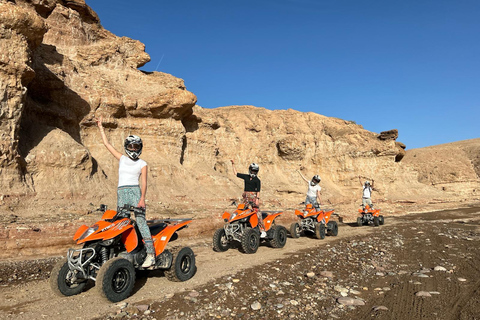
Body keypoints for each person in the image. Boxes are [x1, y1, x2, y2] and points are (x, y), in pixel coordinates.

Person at [95, 116, 155, 268]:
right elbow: (107, 144)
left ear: (139, 147)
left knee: (141, 221)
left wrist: (142, 199)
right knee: (121, 223)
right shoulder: (121, 158)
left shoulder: (143, 163)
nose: (133, 149)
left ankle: (151, 254)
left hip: (135, 193)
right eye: (131, 146)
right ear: (127, 147)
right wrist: (101, 127)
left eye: (136, 147)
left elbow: (144, 183)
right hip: (121, 193)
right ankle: (124, 251)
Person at [230, 160, 266, 237]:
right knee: (242, 211)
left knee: (257, 212)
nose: (253, 172)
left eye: (255, 171)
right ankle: (239, 228)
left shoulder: (257, 180)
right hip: (246, 196)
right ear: (250, 170)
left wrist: (257, 199)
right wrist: (233, 164)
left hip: (253, 196)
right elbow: (236, 173)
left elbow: (258, 190)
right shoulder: (246, 177)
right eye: (252, 170)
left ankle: (262, 230)